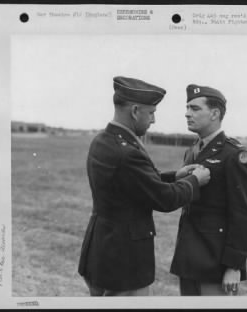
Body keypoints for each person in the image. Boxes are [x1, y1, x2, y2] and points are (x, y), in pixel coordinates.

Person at [78, 76, 211, 296]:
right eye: (151, 113)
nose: (153, 120)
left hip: (102, 250)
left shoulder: (103, 140)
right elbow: (164, 199)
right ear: (135, 111)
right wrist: (195, 181)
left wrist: (175, 176)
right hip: (124, 261)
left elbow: (134, 183)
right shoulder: (127, 151)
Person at [169, 84, 247, 296]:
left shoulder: (233, 154)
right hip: (188, 258)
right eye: (187, 108)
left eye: (195, 108)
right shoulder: (192, 152)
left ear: (215, 113)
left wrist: (234, 266)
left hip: (215, 262)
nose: (187, 113)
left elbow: (243, 214)